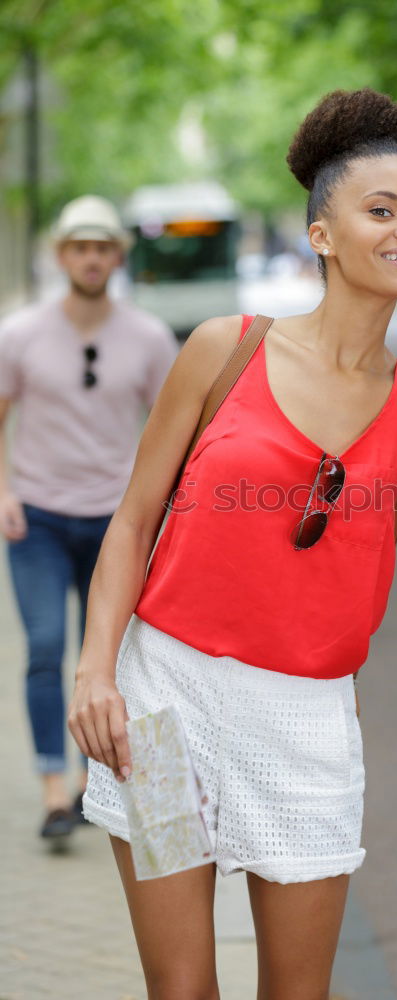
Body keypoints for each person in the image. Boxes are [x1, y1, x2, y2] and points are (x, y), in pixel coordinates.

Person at [68, 89, 397, 998]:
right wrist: (96, 671)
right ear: (321, 235)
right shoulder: (223, 349)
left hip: (305, 727)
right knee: (183, 990)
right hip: (161, 707)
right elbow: (132, 521)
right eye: (383, 210)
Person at [0, 195, 179, 844]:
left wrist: (162, 511)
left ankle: (91, 784)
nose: (92, 258)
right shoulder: (18, 335)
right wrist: (4, 492)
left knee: (107, 657)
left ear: (118, 257)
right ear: (62, 256)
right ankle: (54, 789)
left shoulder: (150, 338)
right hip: (39, 520)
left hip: (116, 522)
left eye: (103, 248)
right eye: (80, 247)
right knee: (46, 648)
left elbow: (173, 428)